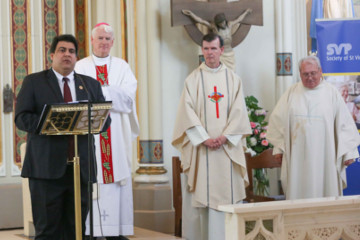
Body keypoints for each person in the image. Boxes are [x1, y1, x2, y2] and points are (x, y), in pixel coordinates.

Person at [15, 34, 109, 240]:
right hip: (46, 170)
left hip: (80, 169)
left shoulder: (91, 84)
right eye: (62, 50)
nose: (67, 54)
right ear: (52, 56)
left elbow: (105, 121)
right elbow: (21, 118)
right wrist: (51, 123)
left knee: (76, 230)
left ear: (76, 57)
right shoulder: (34, 82)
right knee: (48, 230)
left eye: (72, 51)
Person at [172, 33, 251, 240]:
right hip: (202, 150)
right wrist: (204, 138)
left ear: (221, 50)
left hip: (227, 150)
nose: (209, 53)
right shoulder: (193, 80)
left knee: (228, 198)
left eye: (213, 49)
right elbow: (186, 114)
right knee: (201, 201)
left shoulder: (233, 79)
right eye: (205, 49)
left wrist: (224, 137)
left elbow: (239, 112)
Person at [75, 22, 139, 240]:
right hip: (91, 133)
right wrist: (110, 93)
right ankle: (89, 230)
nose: (103, 42)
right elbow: (77, 95)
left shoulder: (122, 67)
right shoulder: (81, 66)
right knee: (92, 178)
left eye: (107, 39)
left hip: (116, 133)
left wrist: (99, 93)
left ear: (113, 42)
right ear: (92, 41)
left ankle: (117, 231)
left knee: (116, 178)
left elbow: (128, 98)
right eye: (99, 38)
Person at [267, 55, 360, 200]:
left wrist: (348, 152)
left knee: (327, 192)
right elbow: (279, 124)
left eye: (313, 73)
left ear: (320, 71)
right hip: (298, 157)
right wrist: (279, 149)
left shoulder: (331, 93)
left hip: (326, 157)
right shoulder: (291, 93)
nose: (310, 77)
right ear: (300, 74)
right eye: (305, 74)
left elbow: (344, 124)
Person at [182, 8, 252, 70]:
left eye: (223, 22)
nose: (222, 24)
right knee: (220, 72)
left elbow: (239, 19)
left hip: (230, 54)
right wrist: (191, 14)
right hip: (221, 55)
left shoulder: (229, 25)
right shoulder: (215, 29)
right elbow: (201, 21)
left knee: (232, 73)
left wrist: (246, 12)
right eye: (220, 23)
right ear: (217, 24)